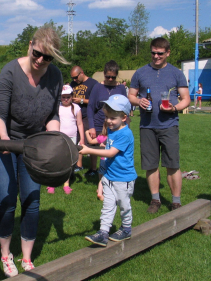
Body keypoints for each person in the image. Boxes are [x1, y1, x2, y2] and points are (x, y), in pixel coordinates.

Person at [0, 25, 68, 277]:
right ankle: (5, 252)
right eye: (37, 54)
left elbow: (53, 114)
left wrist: (53, 138)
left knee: (32, 200)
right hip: (2, 138)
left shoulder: (55, 76)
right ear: (30, 45)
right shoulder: (10, 71)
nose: (41, 60)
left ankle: (27, 257)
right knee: (7, 198)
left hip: (32, 142)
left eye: (48, 57)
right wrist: (5, 139)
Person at [128, 37, 190, 213]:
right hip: (147, 126)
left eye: (160, 53)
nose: (156, 56)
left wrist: (175, 108)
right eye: (153, 53)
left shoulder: (176, 73)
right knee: (150, 165)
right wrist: (138, 101)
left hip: (169, 124)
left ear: (167, 53)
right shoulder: (140, 73)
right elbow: (131, 95)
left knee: (172, 164)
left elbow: (186, 99)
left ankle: (176, 202)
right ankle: (155, 200)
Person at [81, 95, 137, 247]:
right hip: (110, 177)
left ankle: (126, 229)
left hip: (123, 179)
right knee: (108, 206)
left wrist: (89, 150)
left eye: (112, 118)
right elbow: (105, 150)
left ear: (124, 117)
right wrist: (102, 178)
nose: (108, 121)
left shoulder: (125, 134)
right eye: (107, 117)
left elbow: (111, 153)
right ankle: (103, 232)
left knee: (124, 205)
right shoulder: (112, 130)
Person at [86, 60, 126, 177]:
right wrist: (92, 127)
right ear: (104, 74)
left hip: (116, 125)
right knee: (98, 148)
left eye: (112, 77)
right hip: (100, 124)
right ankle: (96, 171)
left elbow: (125, 107)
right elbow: (90, 107)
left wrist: (125, 124)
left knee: (114, 150)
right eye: (107, 76)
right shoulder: (98, 87)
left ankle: (113, 173)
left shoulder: (121, 88)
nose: (110, 79)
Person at [46, 84, 84, 195]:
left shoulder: (76, 108)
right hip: (58, 137)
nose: (66, 99)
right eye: (63, 97)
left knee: (68, 162)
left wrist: (82, 138)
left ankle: (66, 184)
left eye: (68, 97)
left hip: (71, 138)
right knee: (55, 160)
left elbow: (80, 124)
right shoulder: (57, 107)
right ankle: (52, 183)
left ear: (72, 96)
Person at [70, 66, 98, 172]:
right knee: (78, 141)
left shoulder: (93, 83)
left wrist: (81, 101)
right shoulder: (73, 84)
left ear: (82, 73)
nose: (74, 80)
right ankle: (79, 165)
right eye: (72, 78)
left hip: (88, 116)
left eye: (76, 77)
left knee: (90, 142)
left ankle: (93, 168)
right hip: (75, 116)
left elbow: (96, 101)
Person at [86, 120, 108, 201]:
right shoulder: (114, 137)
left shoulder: (101, 137)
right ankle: (103, 191)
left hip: (102, 160)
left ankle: (99, 190)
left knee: (101, 177)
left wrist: (86, 133)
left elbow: (91, 141)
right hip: (110, 161)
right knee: (108, 177)